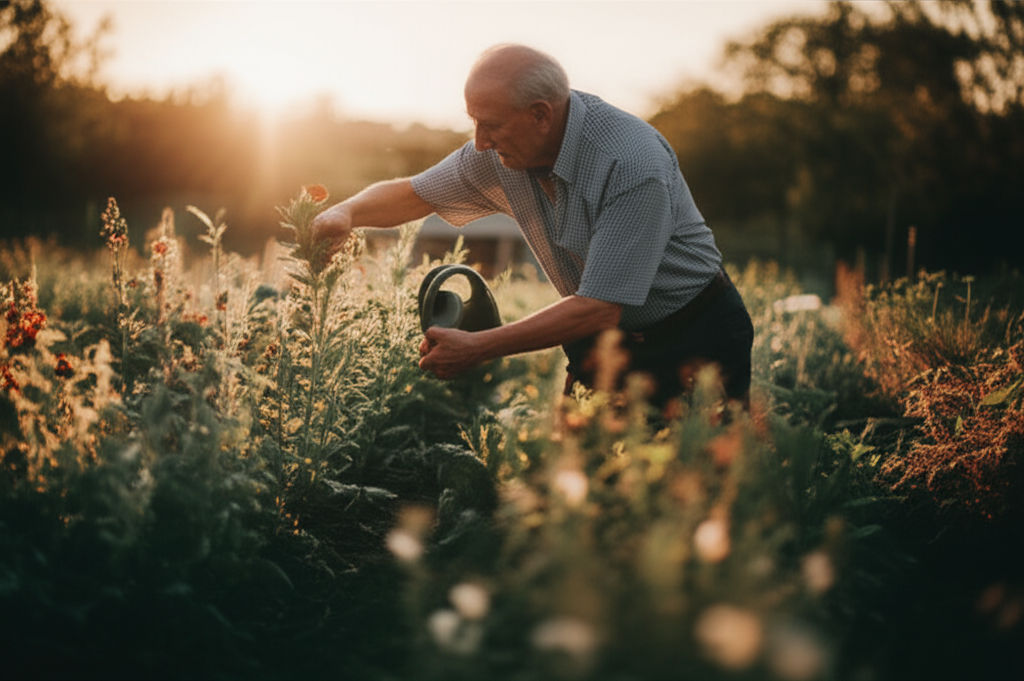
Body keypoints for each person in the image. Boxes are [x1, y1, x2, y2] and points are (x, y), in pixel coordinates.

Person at [312, 44, 753, 413]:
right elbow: (415, 193)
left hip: (693, 337)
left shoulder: (631, 163)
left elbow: (600, 306)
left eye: (491, 126)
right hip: (601, 340)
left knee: (690, 489)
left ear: (541, 115)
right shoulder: (501, 154)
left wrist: (479, 345)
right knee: (576, 488)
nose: (480, 141)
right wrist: (347, 213)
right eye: (474, 122)